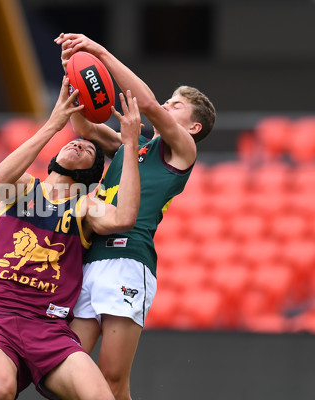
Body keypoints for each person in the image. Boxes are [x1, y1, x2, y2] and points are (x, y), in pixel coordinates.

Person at [54, 33, 217, 399]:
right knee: (67, 369)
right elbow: (83, 127)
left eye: (174, 105)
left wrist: (96, 52)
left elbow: (143, 101)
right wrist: (77, 75)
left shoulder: (181, 149)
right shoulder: (136, 144)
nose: (163, 105)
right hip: (92, 258)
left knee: (111, 377)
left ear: (192, 127)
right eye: (167, 101)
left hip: (128, 259)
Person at [0, 75, 141, 399]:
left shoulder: (85, 206)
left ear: (90, 173)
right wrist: (53, 123)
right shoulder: (22, 189)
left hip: (50, 328)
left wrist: (130, 145)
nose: (78, 142)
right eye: (74, 141)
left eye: (88, 148)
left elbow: (125, 217)